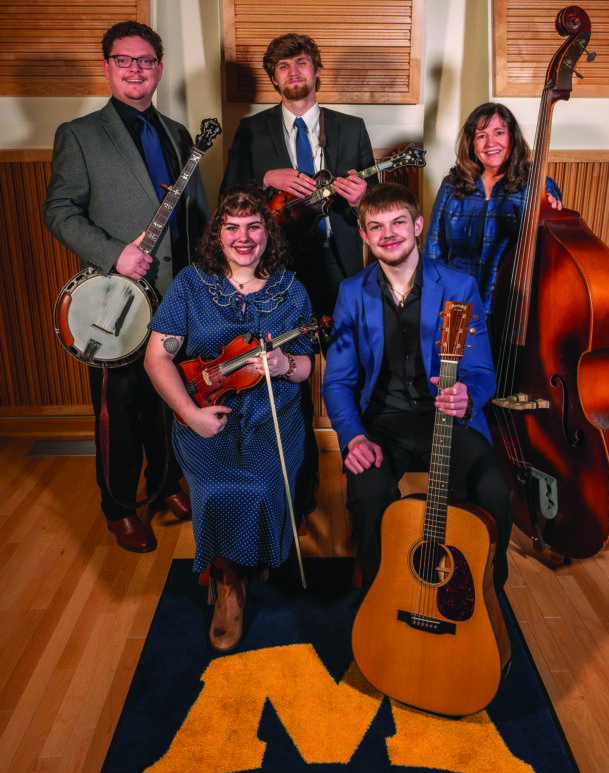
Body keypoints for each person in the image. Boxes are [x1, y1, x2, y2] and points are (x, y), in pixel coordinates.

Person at [43, 20, 210, 553]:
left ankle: (164, 484)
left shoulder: (179, 134)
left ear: (159, 69)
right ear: (108, 66)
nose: (136, 69)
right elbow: (58, 210)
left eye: (146, 60)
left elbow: (196, 214)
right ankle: (118, 506)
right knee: (119, 406)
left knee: (168, 396)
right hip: (117, 299)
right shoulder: (79, 134)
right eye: (124, 60)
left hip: (177, 293)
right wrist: (115, 252)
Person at [145, 185, 314, 653]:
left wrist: (284, 364)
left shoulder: (291, 290)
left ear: (268, 233)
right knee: (217, 487)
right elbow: (157, 359)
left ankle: (248, 560)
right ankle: (228, 582)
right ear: (217, 235)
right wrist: (190, 414)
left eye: (254, 227)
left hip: (273, 415)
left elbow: (306, 367)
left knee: (259, 485)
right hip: (205, 412)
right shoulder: (191, 284)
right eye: (232, 227)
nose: (243, 237)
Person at [322, 182, 512, 594]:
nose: (388, 234)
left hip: (447, 418)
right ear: (364, 235)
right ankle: (381, 596)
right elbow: (336, 382)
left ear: (418, 225)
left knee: (495, 491)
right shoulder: (351, 294)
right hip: (381, 421)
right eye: (376, 226)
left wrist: (467, 398)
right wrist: (354, 438)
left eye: (398, 222)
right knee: (370, 493)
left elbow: (481, 372)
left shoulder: (459, 287)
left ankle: (485, 597)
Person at [221, 32, 377, 513]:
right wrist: (265, 179)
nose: (294, 72)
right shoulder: (252, 130)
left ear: (317, 70)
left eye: (302, 63)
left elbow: (374, 209)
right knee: (287, 383)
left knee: (352, 375)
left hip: (338, 268)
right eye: (283, 66)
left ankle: (365, 494)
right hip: (277, 274)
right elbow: (228, 196)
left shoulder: (351, 128)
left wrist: (362, 199)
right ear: (274, 78)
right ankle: (300, 494)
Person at [425, 102, 562, 320]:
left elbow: (550, 258)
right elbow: (434, 250)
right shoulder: (452, 185)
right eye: (481, 136)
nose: (490, 143)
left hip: (513, 308)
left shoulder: (539, 187)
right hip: (458, 303)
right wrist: (438, 299)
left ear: (512, 138)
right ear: (471, 143)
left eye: (499, 132)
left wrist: (553, 218)